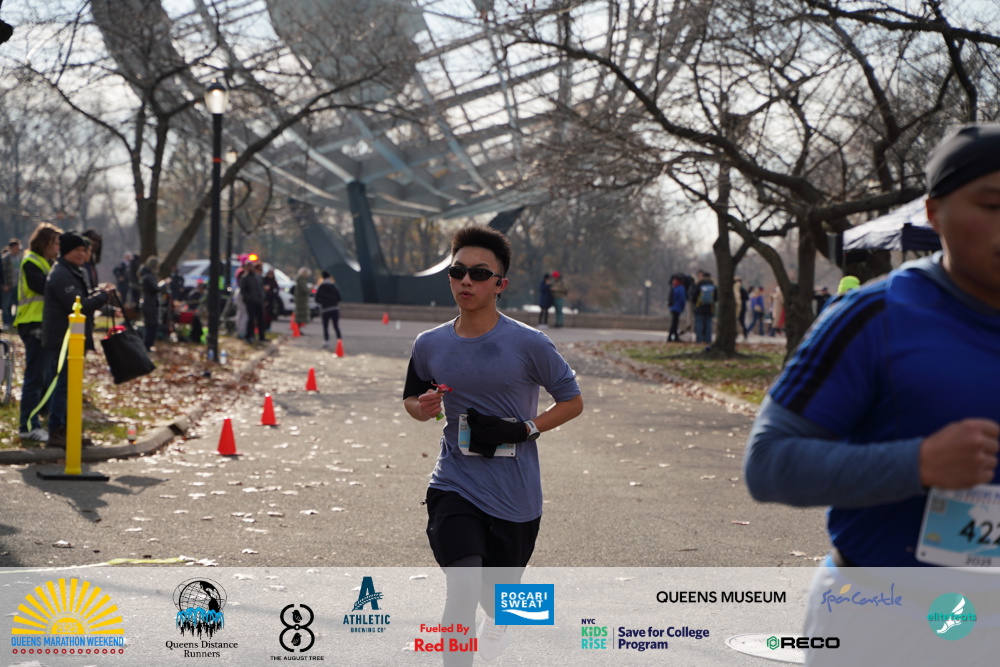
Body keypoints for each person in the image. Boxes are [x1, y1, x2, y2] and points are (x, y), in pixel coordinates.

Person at [744, 123, 1000, 664]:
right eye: (993, 205)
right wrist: (919, 463)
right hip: (886, 623)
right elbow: (768, 464)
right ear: (934, 214)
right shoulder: (875, 315)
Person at [403, 225, 583, 666]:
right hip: (454, 484)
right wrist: (422, 407)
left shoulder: (529, 343)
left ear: (500, 284)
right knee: (462, 589)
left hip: (514, 495)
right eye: (457, 271)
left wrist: (525, 430)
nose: (466, 281)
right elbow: (411, 399)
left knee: (499, 599)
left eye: (479, 274)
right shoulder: (429, 344)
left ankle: (502, 620)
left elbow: (572, 401)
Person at [42, 231, 114, 448]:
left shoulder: (74, 270)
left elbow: (82, 298)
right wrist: (103, 296)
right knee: (63, 387)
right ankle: (57, 431)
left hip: (74, 337)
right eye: (77, 250)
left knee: (71, 387)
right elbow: (78, 306)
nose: (82, 254)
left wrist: (99, 293)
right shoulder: (61, 274)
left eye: (84, 250)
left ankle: (71, 430)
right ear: (66, 251)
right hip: (63, 340)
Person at [13, 224, 61, 444]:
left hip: (43, 324)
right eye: (56, 243)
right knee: (35, 377)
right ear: (45, 243)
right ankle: (28, 426)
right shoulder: (31, 261)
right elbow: (43, 287)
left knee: (45, 375)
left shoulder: (46, 262)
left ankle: (40, 418)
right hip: (33, 323)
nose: (58, 247)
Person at [240, 260, 266, 344]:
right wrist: (248, 298)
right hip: (250, 302)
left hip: (259, 301)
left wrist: (262, 298)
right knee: (251, 319)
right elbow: (243, 291)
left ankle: (261, 337)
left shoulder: (257, 277)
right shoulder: (245, 278)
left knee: (260, 319)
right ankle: (249, 336)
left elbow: (261, 289)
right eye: (248, 266)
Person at [314, 271, 342, 349]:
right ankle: (339, 341)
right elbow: (339, 298)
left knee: (325, 326)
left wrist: (323, 302)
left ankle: (327, 341)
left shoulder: (321, 287)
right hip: (335, 308)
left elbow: (316, 299)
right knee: (336, 326)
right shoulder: (334, 286)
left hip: (325, 309)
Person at [139, 256, 160, 351]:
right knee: (152, 326)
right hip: (150, 304)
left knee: (150, 326)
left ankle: (147, 345)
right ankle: (147, 346)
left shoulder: (145, 276)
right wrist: (163, 284)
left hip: (147, 303)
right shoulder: (149, 277)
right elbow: (155, 289)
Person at [1, 238, 22, 328]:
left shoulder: (19, 258)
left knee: (18, 304)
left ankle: (14, 321)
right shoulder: (5, 259)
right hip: (8, 286)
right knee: (6, 305)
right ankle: (6, 322)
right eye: (17, 247)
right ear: (12, 248)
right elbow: (2, 273)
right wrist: (3, 285)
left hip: (17, 286)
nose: (19, 249)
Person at [692, 272, 717, 344]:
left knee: (699, 323)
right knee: (708, 324)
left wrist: (695, 304)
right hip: (710, 308)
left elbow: (694, 296)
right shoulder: (713, 286)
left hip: (699, 307)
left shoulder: (699, 285)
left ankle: (699, 340)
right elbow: (716, 298)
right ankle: (708, 339)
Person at [667, 275, 686, 342]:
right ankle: (671, 337)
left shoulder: (674, 287)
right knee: (675, 324)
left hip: (673, 307)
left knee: (674, 323)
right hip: (677, 307)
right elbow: (682, 299)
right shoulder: (681, 288)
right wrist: (683, 307)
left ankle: (674, 337)